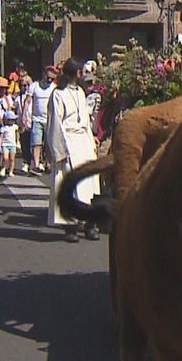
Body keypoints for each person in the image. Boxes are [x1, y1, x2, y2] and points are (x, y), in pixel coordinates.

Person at [47, 59, 102, 242]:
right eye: (79, 72)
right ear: (74, 73)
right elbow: (56, 122)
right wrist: (59, 149)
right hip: (69, 141)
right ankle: (70, 225)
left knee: (89, 183)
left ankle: (89, 223)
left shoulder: (80, 92)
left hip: (83, 141)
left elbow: (84, 118)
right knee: (71, 183)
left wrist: (91, 140)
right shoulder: (58, 94)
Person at [25, 65, 57, 173]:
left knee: (48, 143)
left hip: (49, 119)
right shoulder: (34, 86)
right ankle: (37, 164)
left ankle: (48, 164)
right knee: (36, 142)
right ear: (43, 75)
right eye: (48, 77)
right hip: (36, 118)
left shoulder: (54, 87)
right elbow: (28, 101)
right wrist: (25, 116)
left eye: (52, 79)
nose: (49, 80)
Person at [0, 110, 20, 178]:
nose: (12, 121)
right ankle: (3, 168)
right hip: (5, 144)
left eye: (13, 120)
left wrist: (17, 142)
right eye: (10, 120)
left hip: (12, 144)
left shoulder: (15, 127)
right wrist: (0, 145)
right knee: (5, 157)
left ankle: (11, 170)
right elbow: (1, 137)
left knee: (12, 159)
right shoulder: (4, 128)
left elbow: (17, 135)